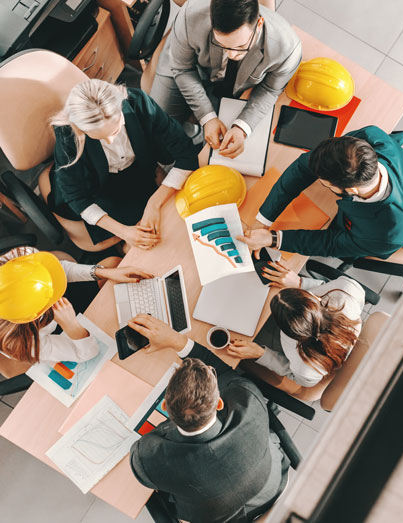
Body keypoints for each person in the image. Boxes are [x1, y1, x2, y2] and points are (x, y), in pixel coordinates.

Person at [127, 314, 290, 523]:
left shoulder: (151, 456)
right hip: (274, 487)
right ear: (219, 403)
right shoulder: (247, 401)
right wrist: (177, 341)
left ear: (166, 407)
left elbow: (139, 467)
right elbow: (225, 372)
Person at [49, 79, 200, 249]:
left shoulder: (138, 102)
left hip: (137, 172)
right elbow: (76, 196)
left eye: (115, 130)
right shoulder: (67, 134)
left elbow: (186, 152)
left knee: (169, 221)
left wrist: (154, 203)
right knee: (147, 238)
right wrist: (123, 232)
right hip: (96, 188)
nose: (111, 141)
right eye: (99, 137)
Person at [239, 126, 403, 259]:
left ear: (349, 190)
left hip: (366, 237)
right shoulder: (367, 140)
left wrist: (272, 238)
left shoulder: (385, 235)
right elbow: (303, 167)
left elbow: (331, 244)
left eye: (325, 184)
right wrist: (263, 220)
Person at [151, 0, 301, 159]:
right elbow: (182, 68)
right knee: (156, 128)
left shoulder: (287, 49)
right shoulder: (190, 16)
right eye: (222, 44)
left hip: (237, 84)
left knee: (221, 151)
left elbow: (270, 90)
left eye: (240, 47)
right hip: (188, 68)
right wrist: (207, 117)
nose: (231, 55)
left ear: (259, 24)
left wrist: (242, 128)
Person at [0, 247, 152, 364]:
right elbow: (88, 353)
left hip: (64, 298)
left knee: (114, 263)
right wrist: (71, 324)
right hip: (63, 327)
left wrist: (104, 273)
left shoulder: (14, 262)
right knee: (113, 323)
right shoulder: (19, 342)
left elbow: (59, 270)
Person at [225, 262, 365, 387]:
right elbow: (358, 297)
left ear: (290, 335)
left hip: (309, 357)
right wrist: (300, 283)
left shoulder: (306, 369)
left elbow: (294, 376)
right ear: (316, 298)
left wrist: (260, 353)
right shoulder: (348, 291)